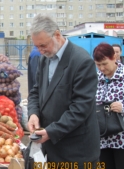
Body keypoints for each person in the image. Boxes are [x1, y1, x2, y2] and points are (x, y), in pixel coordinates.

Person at [27, 14, 100, 168]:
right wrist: (33, 113)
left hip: (76, 151)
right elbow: (36, 91)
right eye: (37, 46)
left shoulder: (81, 62)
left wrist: (51, 132)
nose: (40, 51)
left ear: (57, 35)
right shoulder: (44, 59)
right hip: (51, 148)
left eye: (43, 45)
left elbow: (80, 108)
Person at [93, 43, 124, 169]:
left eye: (104, 64)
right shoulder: (95, 79)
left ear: (114, 58)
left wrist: (123, 108)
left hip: (121, 139)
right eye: (98, 64)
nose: (101, 68)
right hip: (102, 139)